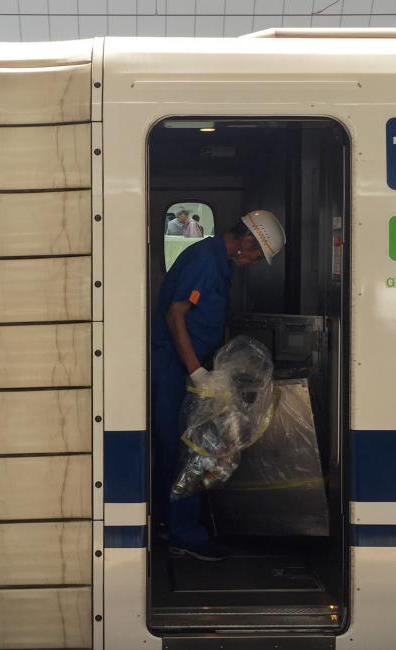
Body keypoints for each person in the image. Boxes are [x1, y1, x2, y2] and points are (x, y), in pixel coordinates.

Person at [151, 210, 286, 561]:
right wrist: (197, 373)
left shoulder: (215, 262)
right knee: (188, 449)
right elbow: (175, 315)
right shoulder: (206, 261)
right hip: (175, 367)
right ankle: (182, 532)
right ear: (245, 241)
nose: (254, 262)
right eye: (256, 254)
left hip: (187, 366)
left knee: (182, 446)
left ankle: (169, 523)